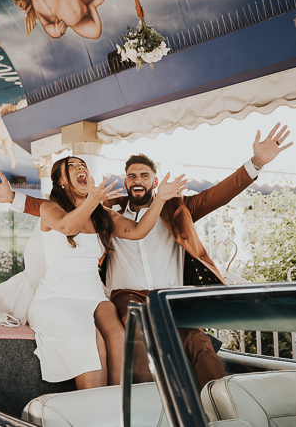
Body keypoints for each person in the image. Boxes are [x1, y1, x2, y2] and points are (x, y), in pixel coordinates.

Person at [0, 122, 292, 389]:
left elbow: (219, 193)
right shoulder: (107, 211)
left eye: (144, 175)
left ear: (155, 181)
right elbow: (59, 213)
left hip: (169, 301)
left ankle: (221, 406)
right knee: (136, 339)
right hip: (127, 299)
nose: (137, 180)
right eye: (131, 176)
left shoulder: (178, 209)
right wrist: (14, 198)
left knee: (201, 345)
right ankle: (143, 413)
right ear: (126, 182)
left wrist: (256, 163)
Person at [29, 156, 185, 390]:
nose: (80, 168)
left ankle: (117, 410)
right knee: (93, 342)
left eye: (83, 165)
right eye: (71, 167)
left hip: (93, 294)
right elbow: (67, 227)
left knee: (120, 338)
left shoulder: (104, 215)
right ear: (61, 181)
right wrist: (91, 200)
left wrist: (160, 199)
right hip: (56, 296)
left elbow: (138, 230)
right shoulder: (50, 208)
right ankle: (96, 412)